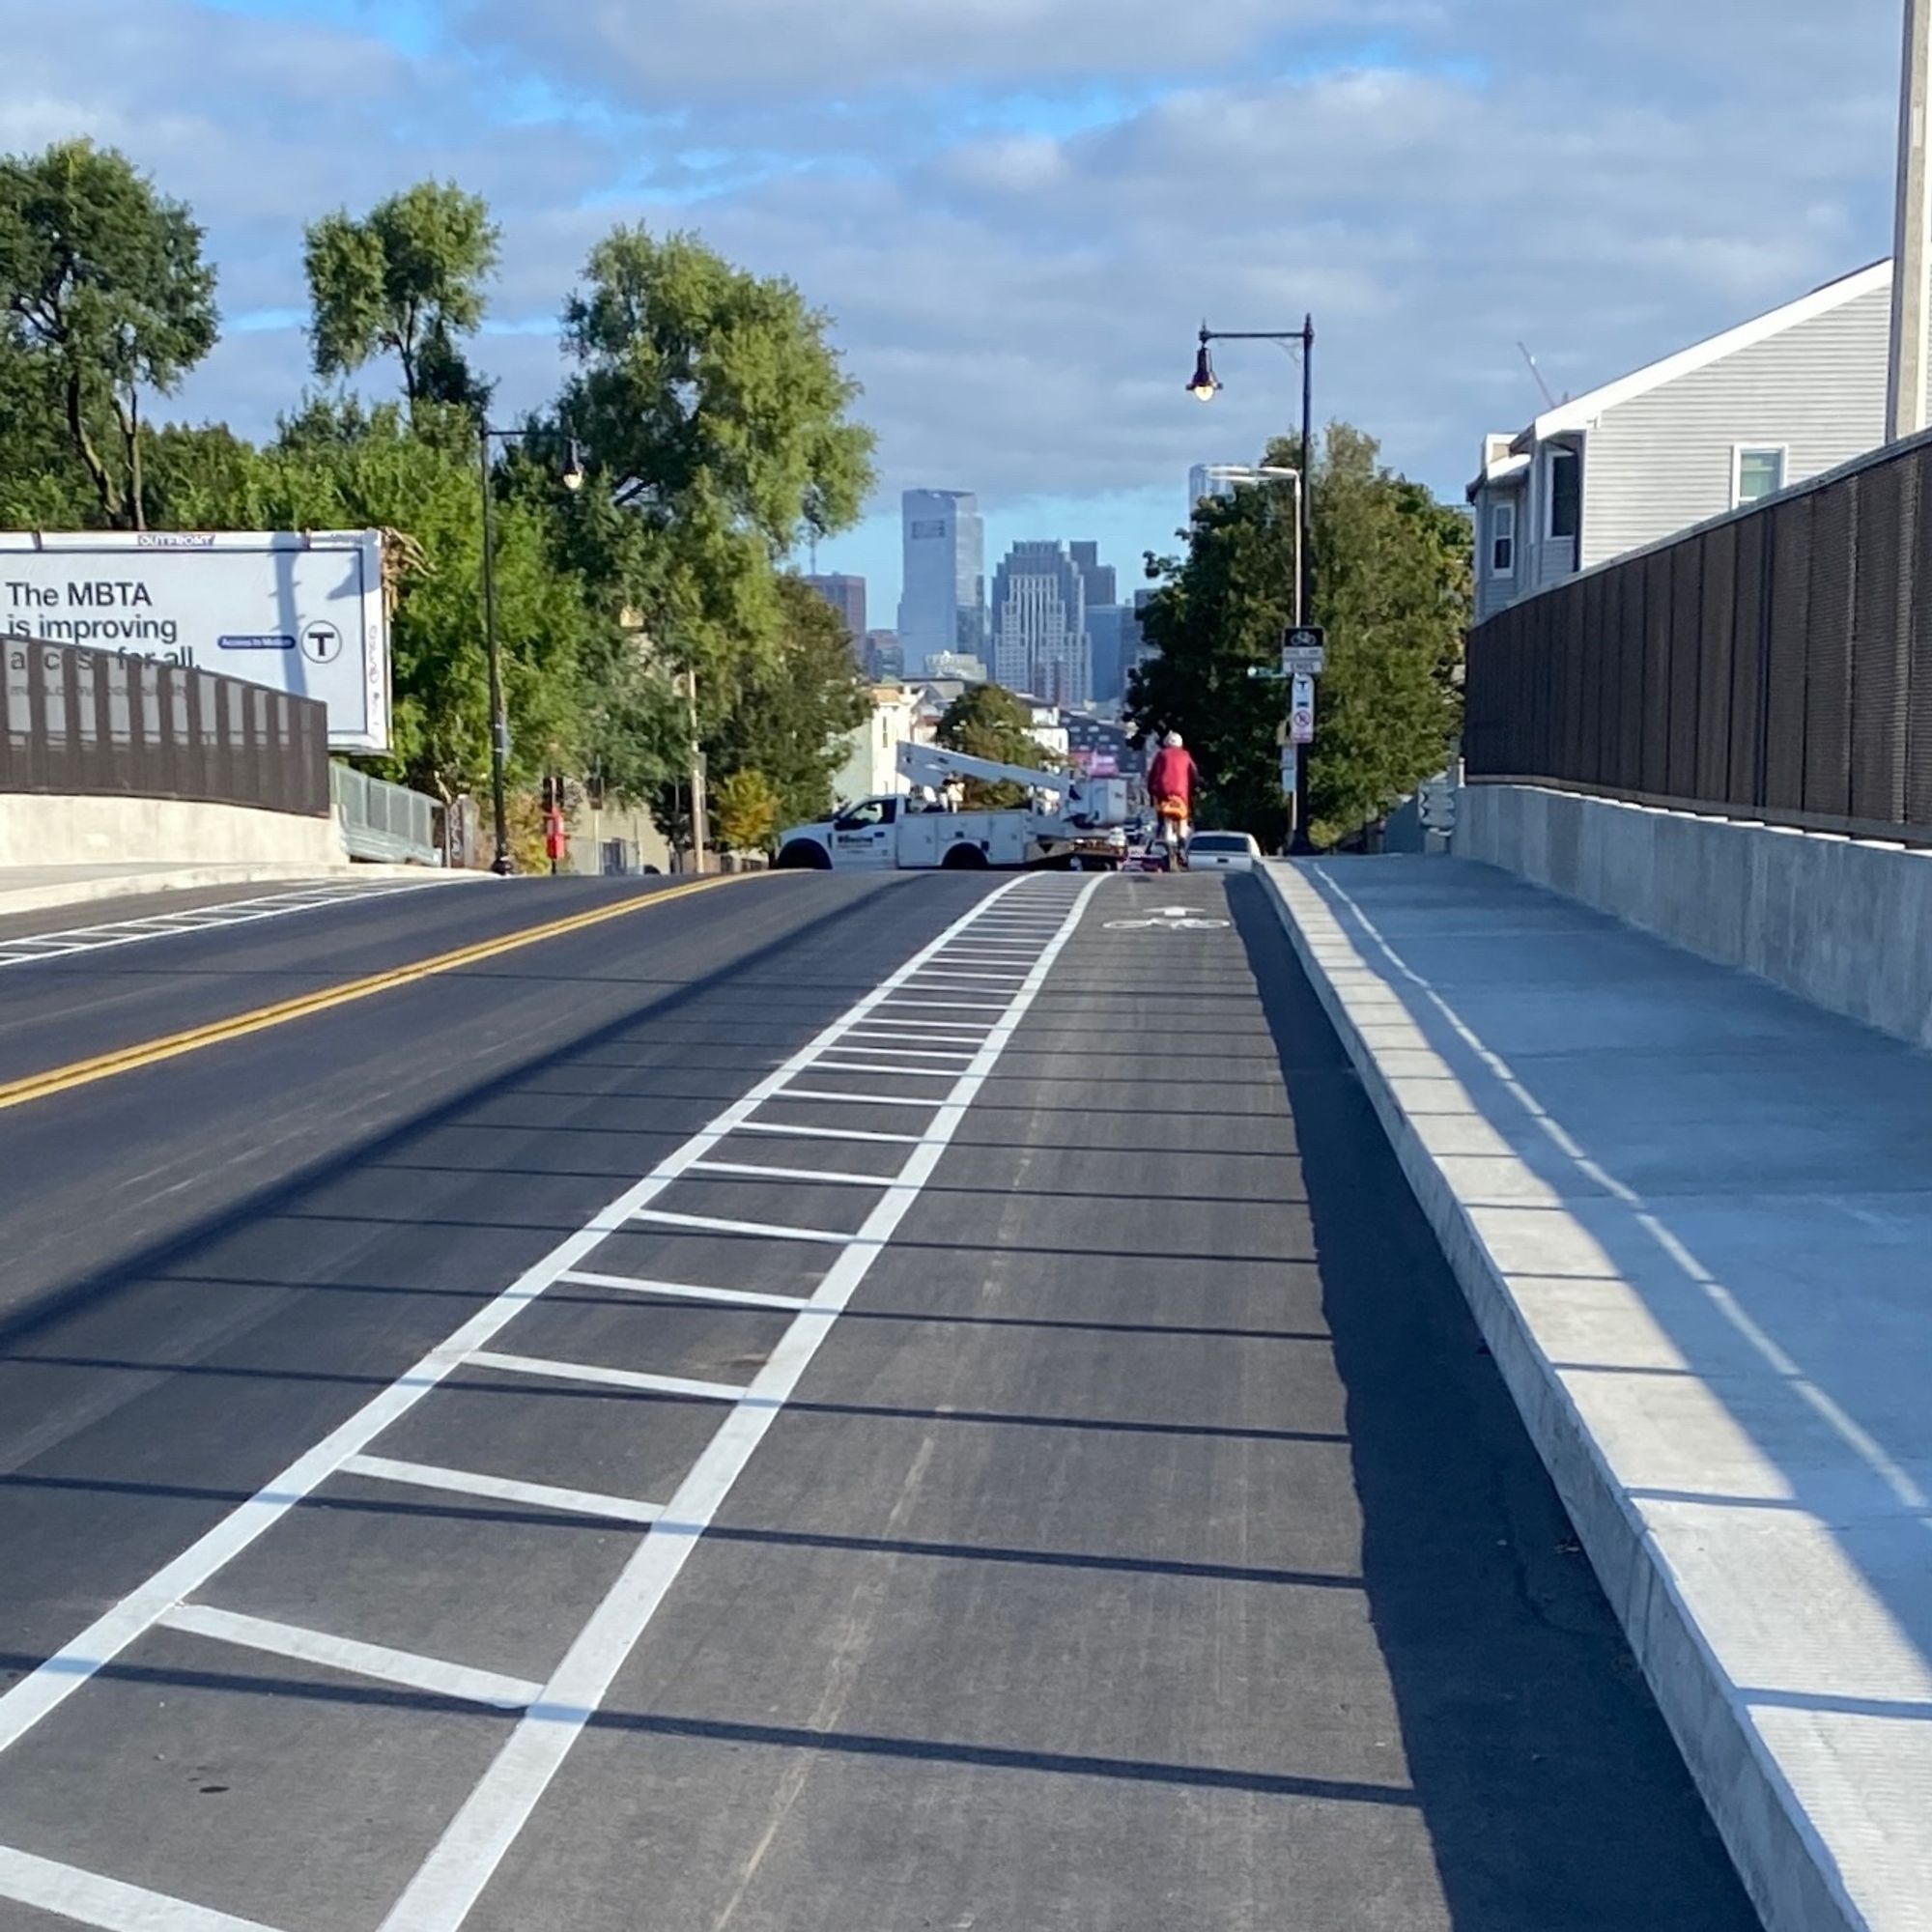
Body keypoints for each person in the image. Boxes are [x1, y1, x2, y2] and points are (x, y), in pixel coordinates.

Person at [1145, 730, 1200, 865]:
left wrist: (1152, 792)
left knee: (1166, 819)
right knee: (1182, 818)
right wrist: (1195, 787)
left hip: (1163, 792)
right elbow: (1194, 773)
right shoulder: (1186, 755)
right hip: (1182, 793)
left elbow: (1152, 776)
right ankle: (1181, 846)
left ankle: (1169, 844)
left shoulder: (1161, 755)